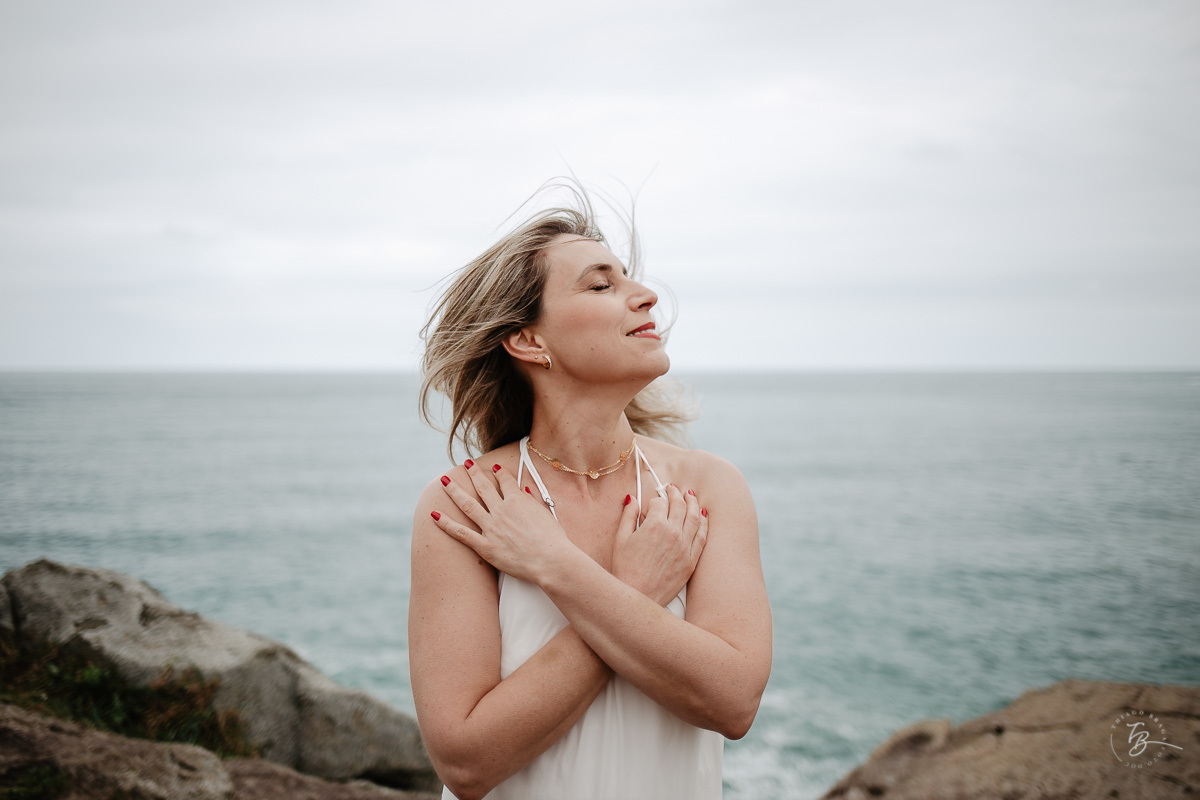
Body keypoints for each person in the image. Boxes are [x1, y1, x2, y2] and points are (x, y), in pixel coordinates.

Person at [408, 183, 772, 800]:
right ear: (528, 340)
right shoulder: (469, 505)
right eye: (601, 285)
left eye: (628, 278)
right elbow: (466, 762)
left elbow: (733, 702)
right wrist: (635, 595)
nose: (646, 295)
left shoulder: (707, 488)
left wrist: (557, 568)